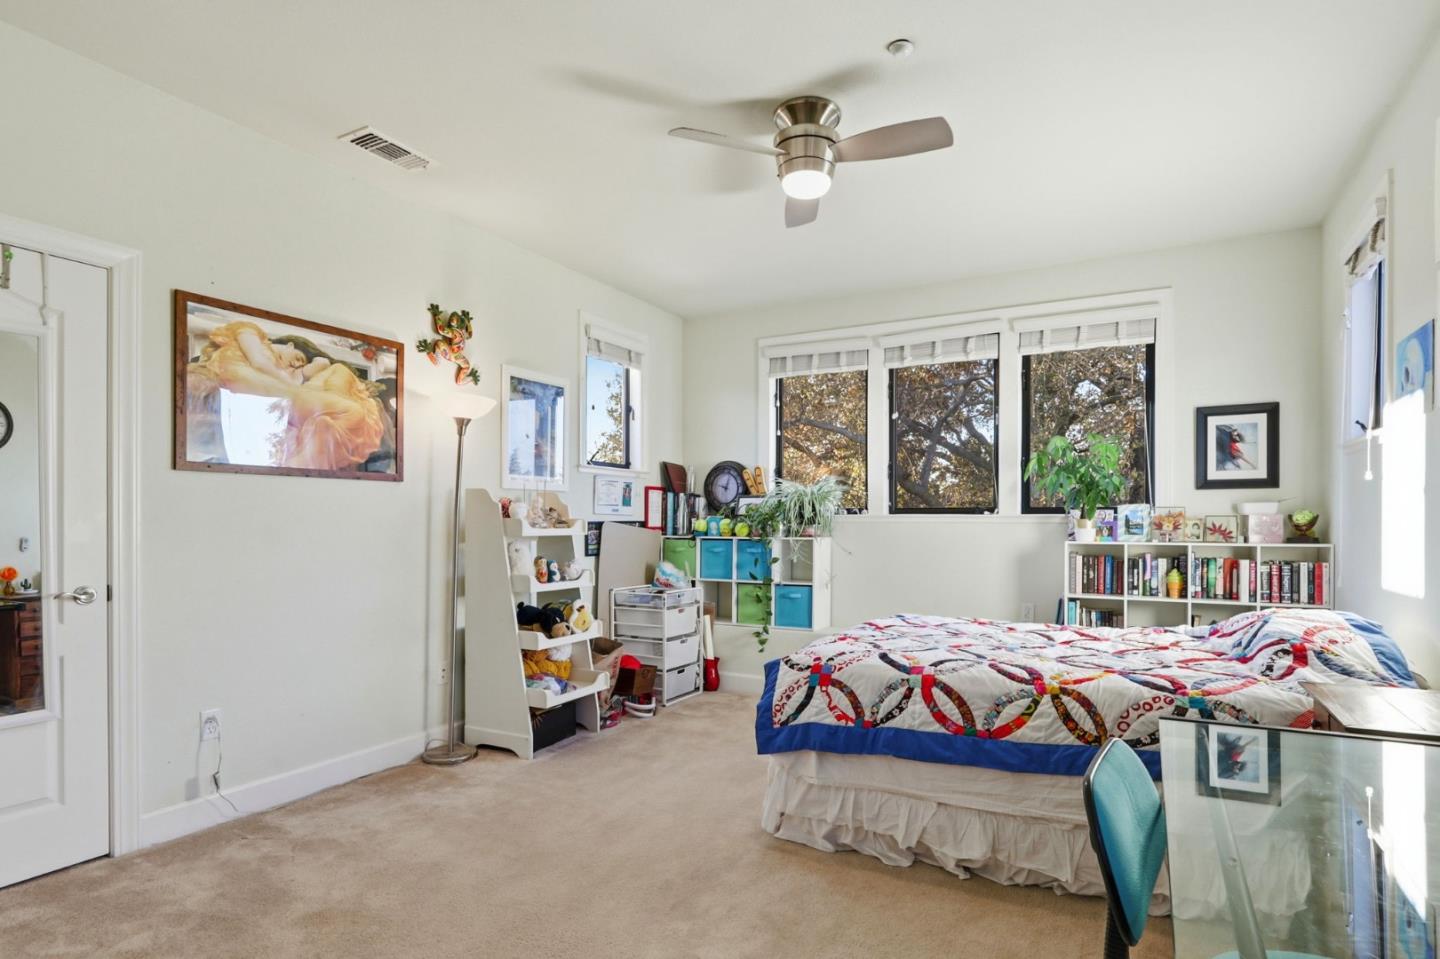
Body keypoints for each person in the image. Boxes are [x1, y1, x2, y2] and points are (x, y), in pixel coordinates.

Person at [188, 320, 385, 471]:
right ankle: (300, 464)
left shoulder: (284, 368)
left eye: (301, 365)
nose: (297, 365)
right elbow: (258, 362)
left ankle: (301, 463)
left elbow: (303, 377)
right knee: (351, 411)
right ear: (290, 345)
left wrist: (309, 369)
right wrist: (290, 380)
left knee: (340, 411)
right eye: (299, 358)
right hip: (247, 380)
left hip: (261, 386)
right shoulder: (249, 331)